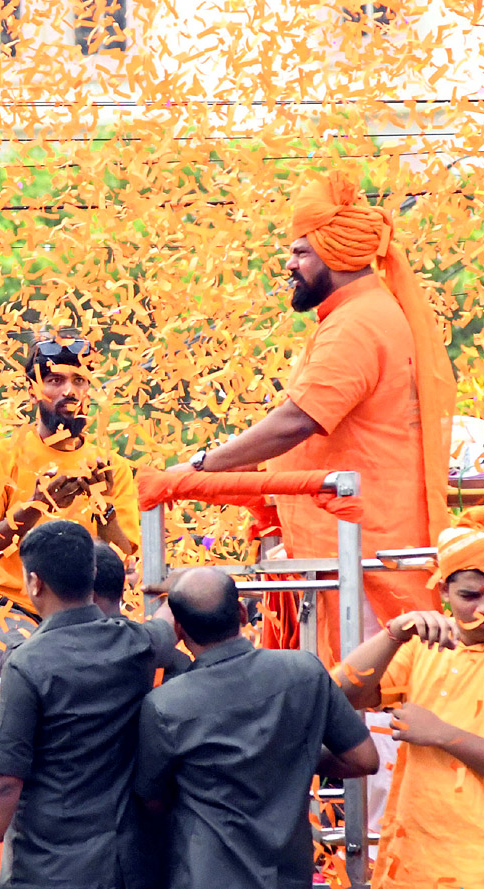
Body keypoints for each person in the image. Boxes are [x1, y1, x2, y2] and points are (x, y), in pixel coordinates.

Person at [166, 171, 456, 666]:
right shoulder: (357, 314)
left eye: (301, 251)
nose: (289, 263)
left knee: (366, 707)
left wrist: (201, 467)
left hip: (360, 557)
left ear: (337, 255)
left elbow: (296, 421)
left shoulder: (357, 323)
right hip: (345, 551)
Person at [333, 507, 484, 889]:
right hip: (414, 869)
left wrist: (445, 736)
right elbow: (338, 699)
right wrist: (394, 633)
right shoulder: (423, 646)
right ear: (443, 591)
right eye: (468, 595)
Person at [0, 520, 176, 889]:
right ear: (92, 575)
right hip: (127, 873)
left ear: (34, 583)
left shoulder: (26, 665)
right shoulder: (137, 645)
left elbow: (4, 783)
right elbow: (172, 620)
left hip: (48, 874)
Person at [134, 567, 379, 889]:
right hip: (286, 880)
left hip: (204, 881)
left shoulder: (165, 705)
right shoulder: (303, 671)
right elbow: (364, 758)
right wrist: (290, 752)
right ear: (240, 612)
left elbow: (152, 800)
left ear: (179, 629)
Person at [0, 335, 140, 673]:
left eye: (79, 380)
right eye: (55, 380)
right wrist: (36, 506)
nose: (68, 391)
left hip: (85, 615)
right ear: (32, 389)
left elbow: (123, 561)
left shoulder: (112, 466)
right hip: (6, 608)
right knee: (36, 662)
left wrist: (104, 509)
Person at [93, 540, 191, 681]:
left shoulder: (56, 656)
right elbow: (162, 631)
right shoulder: (156, 649)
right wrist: (177, 591)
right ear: (122, 587)